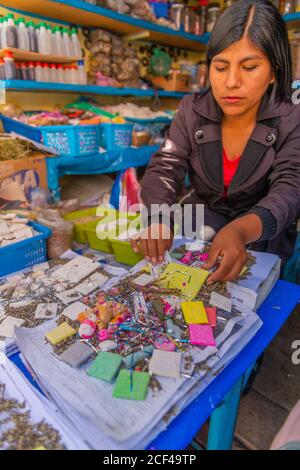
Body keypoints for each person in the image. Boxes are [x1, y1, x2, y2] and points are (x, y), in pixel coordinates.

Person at [131, 0, 300, 283]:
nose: (231, 82)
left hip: (260, 233)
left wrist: (241, 230)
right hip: (200, 224)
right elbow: (166, 166)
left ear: (273, 72)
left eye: (249, 67)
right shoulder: (192, 110)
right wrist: (158, 218)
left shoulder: (291, 117)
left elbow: (291, 186)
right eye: (221, 67)